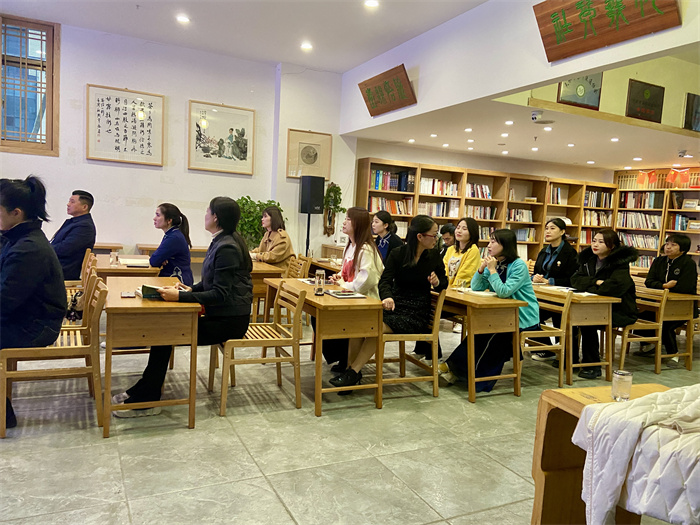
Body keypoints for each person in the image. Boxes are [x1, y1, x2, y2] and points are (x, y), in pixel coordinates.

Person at [113, 197, 253, 417]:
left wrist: (179, 296)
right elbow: (210, 283)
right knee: (165, 330)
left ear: (216, 217)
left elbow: (219, 294)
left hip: (229, 321)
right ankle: (145, 389)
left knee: (165, 333)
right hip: (221, 315)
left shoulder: (227, 247)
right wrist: (190, 289)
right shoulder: (222, 240)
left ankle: (148, 399)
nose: (205, 215)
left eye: (207, 211)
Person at [330, 215, 447, 388]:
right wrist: (387, 296)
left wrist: (437, 283)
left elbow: (444, 282)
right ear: (420, 237)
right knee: (359, 324)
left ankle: (353, 372)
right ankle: (351, 370)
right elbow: (384, 281)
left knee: (375, 327)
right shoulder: (398, 253)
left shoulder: (434, 256)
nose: (436, 239)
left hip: (416, 314)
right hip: (395, 306)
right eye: (434, 235)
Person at [1, 176, 67, 429]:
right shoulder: (18, 238)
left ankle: (4, 414)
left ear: (16, 213)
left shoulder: (28, 248)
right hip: (26, 316)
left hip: (37, 326)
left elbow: (5, 301)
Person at [439, 229, 540, 392]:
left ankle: (469, 376)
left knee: (496, 336)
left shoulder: (518, 265)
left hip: (522, 315)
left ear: (505, 245)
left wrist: (492, 270)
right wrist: (481, 269)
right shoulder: (495, 262)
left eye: (494, 242)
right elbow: (476, 287)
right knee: (480, 332)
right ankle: (459, 371)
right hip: (501, 314)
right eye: (489, 241)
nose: (489, 245)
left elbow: (504, 291)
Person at [321, 207, 384, 384]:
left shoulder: (366, 249)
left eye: (348, 219)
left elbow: (366, 281)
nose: (344, 222)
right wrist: (339, 277)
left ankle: (349, 364)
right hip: (350, 296)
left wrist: (343, 285)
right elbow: (347, 273)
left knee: (331, 319)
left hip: (366, 301)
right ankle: (342, 358)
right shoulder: (350, 246)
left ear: (358, 224)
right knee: (318, 317)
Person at [570, 229, 638, 379]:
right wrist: (596, 282)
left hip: (620, 310)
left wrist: (590, 285)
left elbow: (613, 288)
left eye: (601, 242)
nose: (595, 245)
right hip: (595, 307)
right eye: (594, 241)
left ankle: (592, 366)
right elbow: (575, 280)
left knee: (587, 322)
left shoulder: (619, 263)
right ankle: (571, 360)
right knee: (573, 318)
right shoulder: (588, 260)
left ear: (612, 246)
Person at [635, 234, 697, 357]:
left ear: (683, 249)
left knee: (666, 325)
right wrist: (665, 286)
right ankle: (648, 345)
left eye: (673, 245)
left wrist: (661, 287)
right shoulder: (659, 261)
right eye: (667, 244)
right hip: (659, 302)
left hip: (682, 307)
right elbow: (649, 282)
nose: (668, 247)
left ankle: (673, 355)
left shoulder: (688, 264)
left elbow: (686, 287)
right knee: (642, 316)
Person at [530, 218, 578, 362]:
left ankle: (563, 354)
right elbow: (537, 271)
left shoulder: (570, 253)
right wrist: (535, 277)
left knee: (557, 316)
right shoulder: (544, 251)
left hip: (561, 296)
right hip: (543, 294)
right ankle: (545, 348)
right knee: (529, 313)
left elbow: (573, 279)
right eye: (546, 228)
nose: (548, 231)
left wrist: (550, 281)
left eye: (552, 228)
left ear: (562, 232)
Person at [50, 190, 96, 280]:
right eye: (69, 201)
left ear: (84, 207)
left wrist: (44, 249)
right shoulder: (73, 222)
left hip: (63, 270)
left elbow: (64, 249)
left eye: (72, 202)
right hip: (55, 265)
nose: (68, 204)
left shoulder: (84, 226)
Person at [149, 203, 194, 286]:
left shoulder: (174, 237)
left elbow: (154, 260)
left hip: (178, 282)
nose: (154, 218)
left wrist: (161, 259)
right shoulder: (172, 233)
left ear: (169, 220)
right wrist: (161, 259)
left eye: (158, 215)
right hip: (172, 279)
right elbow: (157, 258)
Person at [250, 206, 294, 274]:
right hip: (270, 270)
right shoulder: (267, 234)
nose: (262, 219)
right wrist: (249, 253)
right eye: (262, 217)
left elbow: (272, 257)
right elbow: (261, 249)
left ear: (273, 218)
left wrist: (255, 256)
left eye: (265, 216)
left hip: (281, 273)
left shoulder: (282, 237)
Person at [442, 217, 481, 288]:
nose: (459, 231)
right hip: (447, 288)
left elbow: (465, 275)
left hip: (461, 290)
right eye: (458, 228)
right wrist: (444, 285)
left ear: (472, 232)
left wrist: (451, 288)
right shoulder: (451, 249)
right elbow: (444, 269)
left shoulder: (473, 250)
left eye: (464, 229)